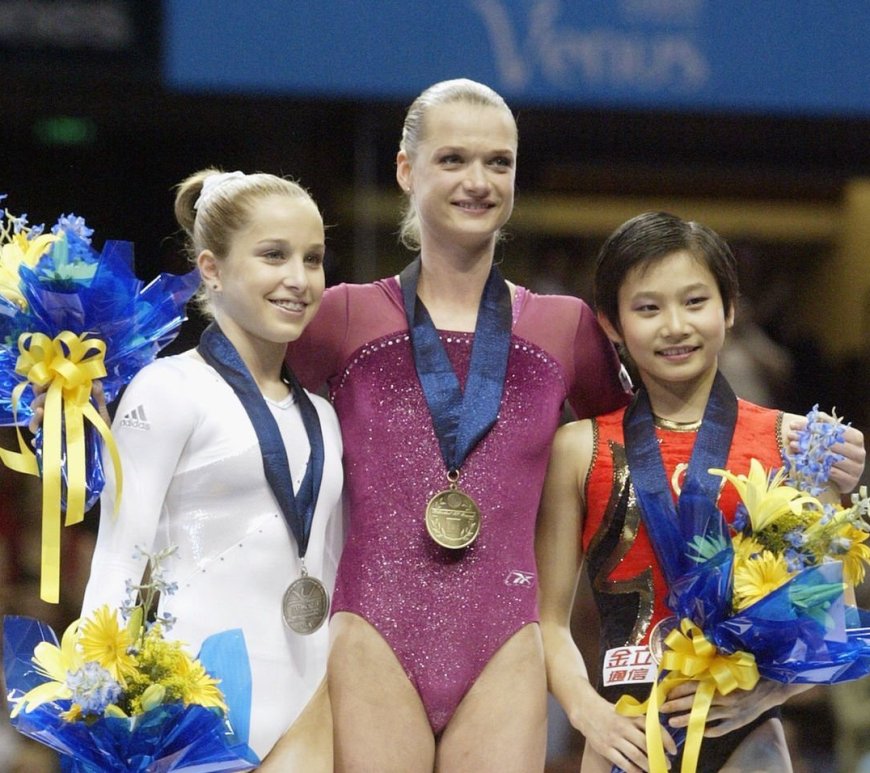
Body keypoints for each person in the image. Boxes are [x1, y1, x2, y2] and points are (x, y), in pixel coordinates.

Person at [285, 78, 633, 771]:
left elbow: (648, 450)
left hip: (506, 642)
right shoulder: (341, 316)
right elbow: (235, 403)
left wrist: (784, 445)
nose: (479, 181)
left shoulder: (563, 328)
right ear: (406, 170)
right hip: (373, 634)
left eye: (498, 162)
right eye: (453, 160)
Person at [536, 211, 865, 772]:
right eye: (648, 308)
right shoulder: (578, 449)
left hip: (747, 737)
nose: (675, 326)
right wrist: (588, 713)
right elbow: (546, 621)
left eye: (694, 302)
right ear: (611, 323)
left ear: (729, 308)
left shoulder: (799, 443)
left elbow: (833, 617)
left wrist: (768, 694)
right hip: (623, 736)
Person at [78, 169, 344, 767]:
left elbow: (329, 564)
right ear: (212, 268)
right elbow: (119, 554)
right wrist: (94, 696)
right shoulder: (168, 389)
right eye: (273, 255)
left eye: (312, 258)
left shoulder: (324, 417)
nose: (298, 278)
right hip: (189, 705)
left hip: (308, 706)